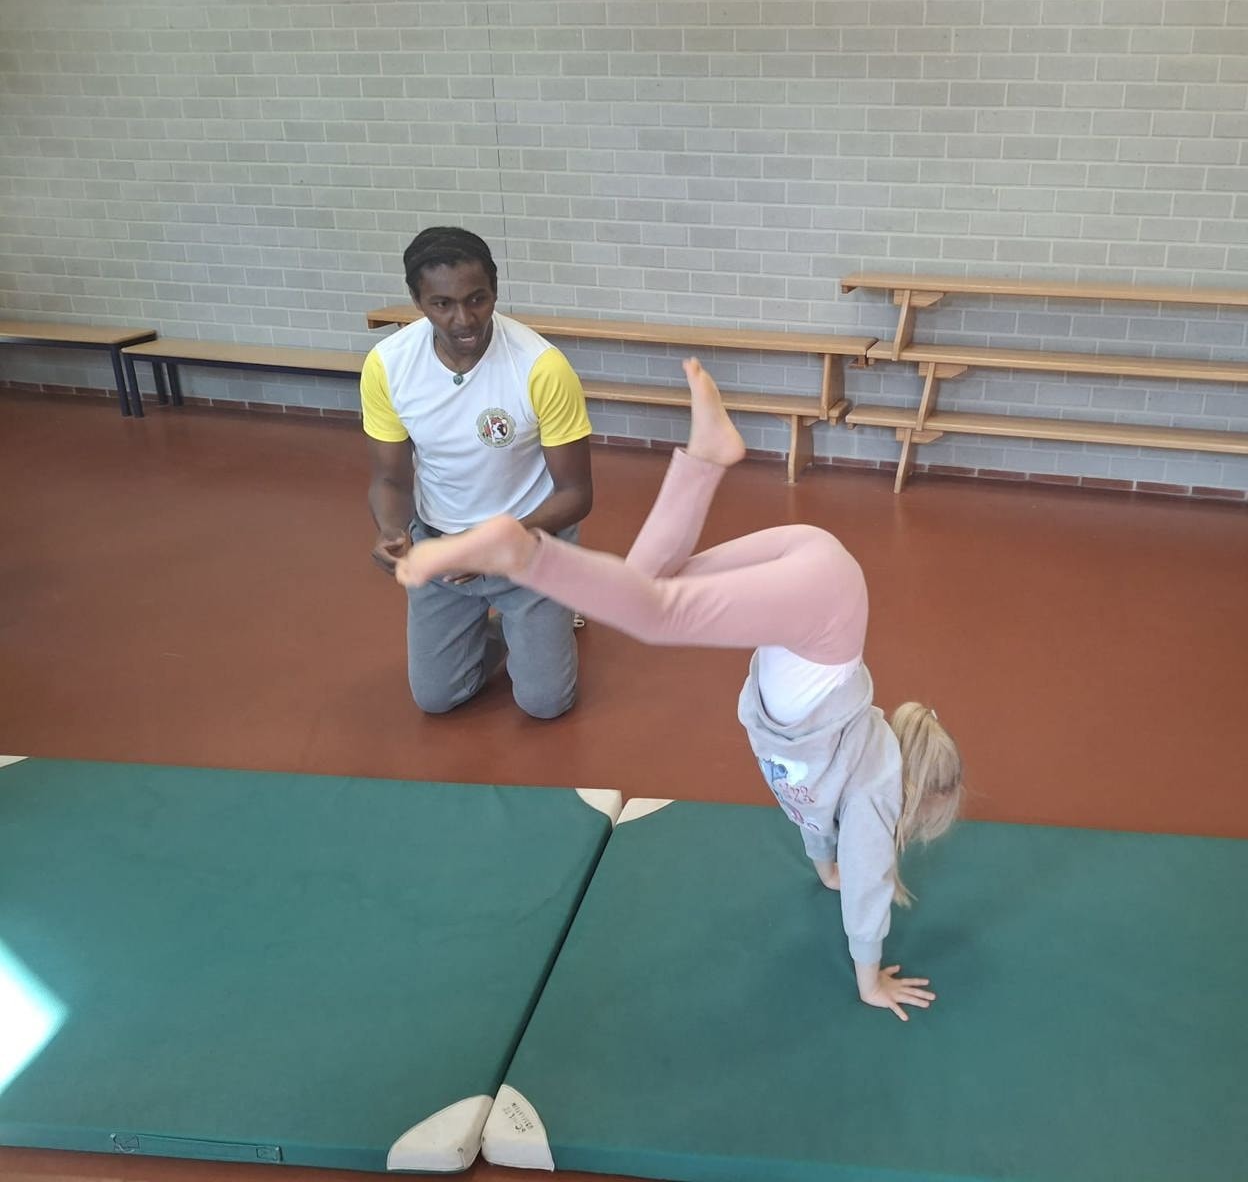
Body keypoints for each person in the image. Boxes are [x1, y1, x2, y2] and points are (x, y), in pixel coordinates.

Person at [396, 358, 964, 1020]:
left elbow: (816, 821)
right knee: (655, 615)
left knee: (644, 581)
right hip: (824, 606)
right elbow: (868, 883)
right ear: (911, 800)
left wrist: (824, 868)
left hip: (813, 564)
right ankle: (520, 553)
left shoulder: (845, 777)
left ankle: (707, 455)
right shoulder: (871, 798)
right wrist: (870, 979)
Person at [361, 227, 593, 719]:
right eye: (442, 304)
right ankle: (512, 630)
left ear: (495, 290)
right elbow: (390, 479)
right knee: (437, 698)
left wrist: (494, 542)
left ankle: (549, 608)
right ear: (417, 301)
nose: (464, 319)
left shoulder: (541, 367)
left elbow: (576, 494)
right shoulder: (387, 365)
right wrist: (391, 530)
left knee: (545, 703)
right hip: (442, 550)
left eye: (477, 299)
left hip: (529, 544)